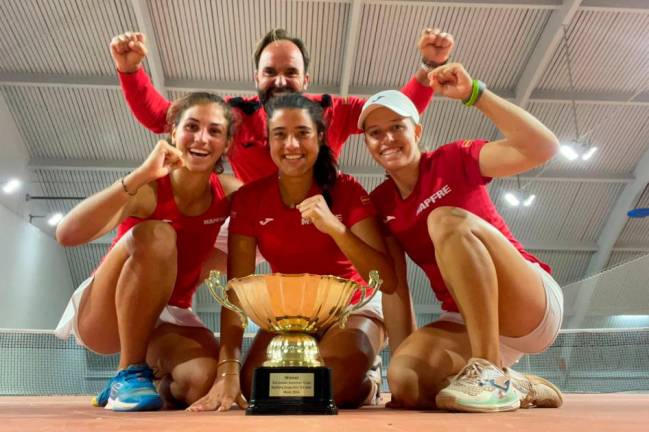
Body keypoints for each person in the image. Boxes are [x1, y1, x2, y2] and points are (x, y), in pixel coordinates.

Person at [357, 64, 565, 413]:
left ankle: (489, 371)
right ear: (367, 144)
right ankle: (514, 383)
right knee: (407, 381)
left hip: (527, 306)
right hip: (465, 319)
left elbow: (542, 149)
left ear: (417, 130)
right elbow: (395, 288)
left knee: (445, 219)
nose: (387, 139)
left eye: (397, 127)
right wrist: (407, 361)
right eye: (376, 133)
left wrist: (476, 94)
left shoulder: (453, 159)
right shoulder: (381, 204)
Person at [186, 93, 397, 412]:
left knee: (330, 383)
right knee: (252, 386)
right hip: (291, 314)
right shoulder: (249, 199)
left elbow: (387, 279)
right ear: (268, 141)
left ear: (321, 136)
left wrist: (335, 229)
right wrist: (227, 369)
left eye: (302, 133)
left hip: (352, 309)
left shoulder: (348, 190)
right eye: (280, 135)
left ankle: (366, 383)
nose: (292, 145)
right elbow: (237, 291)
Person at [54, 92, 242, 411]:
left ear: (226, 145)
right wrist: (141, 173)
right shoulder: (149, 188)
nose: (201, 138)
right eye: (192, 127)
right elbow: (67, 234)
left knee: (201, 381)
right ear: (173, 133)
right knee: (157, 234)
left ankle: (155, 381)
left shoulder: (230, 192)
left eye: (214, 131)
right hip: (107, 313)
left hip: (169, 315)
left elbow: (263, 242)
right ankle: (128, 371)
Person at [110, 27, 454, 183]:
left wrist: (429, 67)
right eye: (269, 72)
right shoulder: (234, 115)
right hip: (258, 223)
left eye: (291, 72)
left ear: (306, 80)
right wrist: (130, 70)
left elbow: (397, 113)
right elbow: (161, 118)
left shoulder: (334, 109)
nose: (279, 81)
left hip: (322, 215)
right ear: (255, 77)